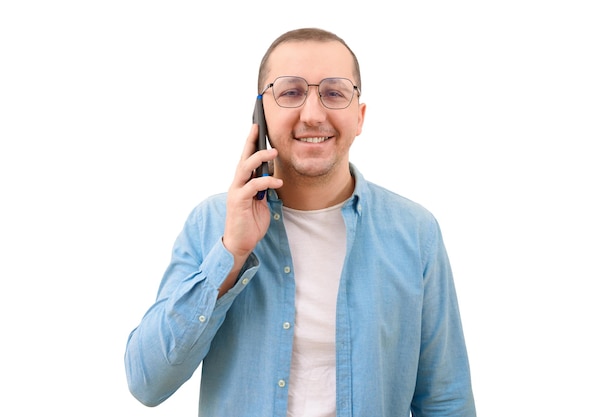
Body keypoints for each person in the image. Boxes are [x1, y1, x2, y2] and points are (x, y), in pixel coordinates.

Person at [124, 27, 476, 417]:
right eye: (290, 92)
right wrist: (230, 254)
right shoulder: (212, 223)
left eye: (334, 92)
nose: (313, 115)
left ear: (359, 117)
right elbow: (147, 383)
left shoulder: (415, 233)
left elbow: (446, 400)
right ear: (260, 113)